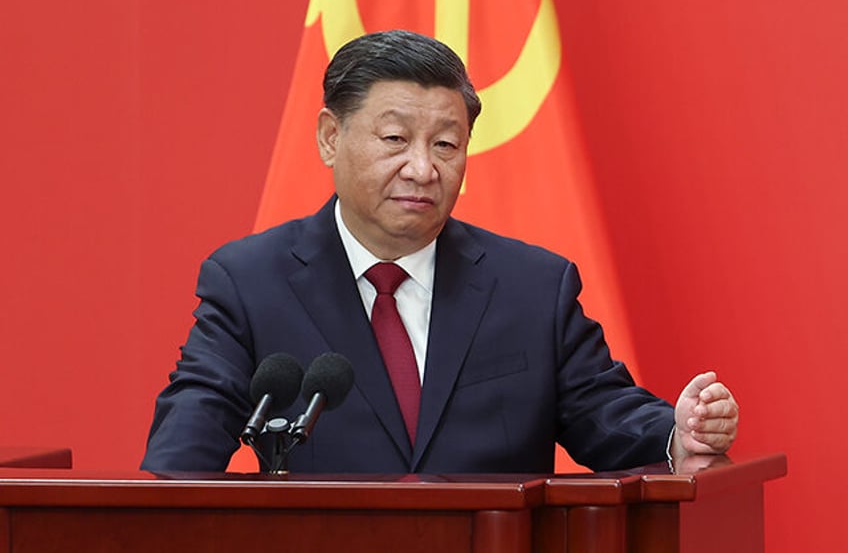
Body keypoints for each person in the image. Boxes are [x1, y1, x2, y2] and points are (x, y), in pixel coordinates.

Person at [141, 29, 738, 473]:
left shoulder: (533, 286)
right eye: (396, 139)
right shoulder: (249, 283)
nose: (423, 168)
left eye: (446, 144)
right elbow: (185, 445)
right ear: (331, 138)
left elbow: (602, 409)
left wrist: (677, 435)